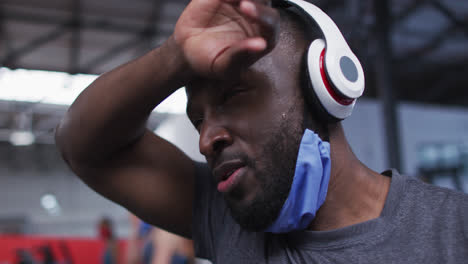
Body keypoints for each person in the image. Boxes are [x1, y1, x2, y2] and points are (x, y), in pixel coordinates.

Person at [55, 0, 468, 263]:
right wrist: (175, 58)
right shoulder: (226, 220)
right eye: (198, 119)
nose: (205, 139)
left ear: (323, 84)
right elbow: (83, 144)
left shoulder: (454, 228)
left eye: (235, 94)